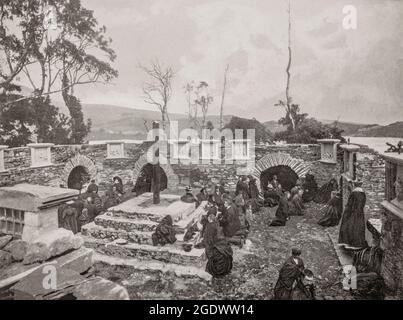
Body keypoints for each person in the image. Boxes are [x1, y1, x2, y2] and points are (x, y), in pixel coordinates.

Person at [338, 181, 368, 249]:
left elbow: (349, 203)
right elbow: (363, 203)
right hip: (359, 213)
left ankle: (348, 243)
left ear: (355, 185)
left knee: (349, 226)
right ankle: (358, 243)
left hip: (351, 212)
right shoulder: (363, 194)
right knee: (358, 227)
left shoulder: (353, 193)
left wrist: (347, 211)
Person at [204, 213, 233, 278]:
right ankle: (225, 270)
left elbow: (209, 238)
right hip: (223, 244)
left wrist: (208, 246)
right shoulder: (217, 223)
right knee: (224, 256)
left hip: (218, 245)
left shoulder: (210, 226)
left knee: (216, 256)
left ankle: (218, 272)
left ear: (209, 219)